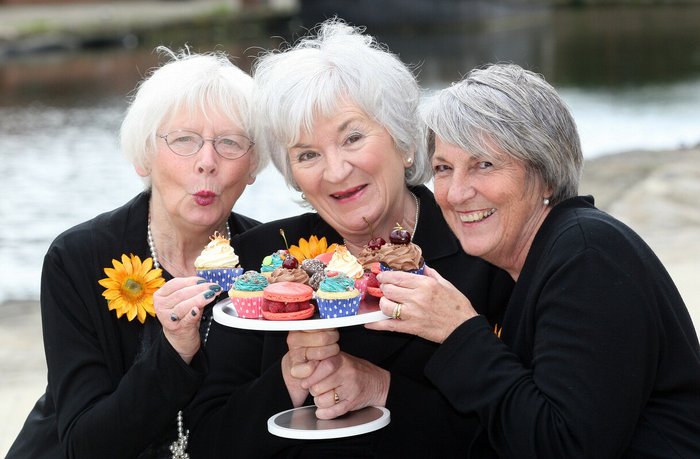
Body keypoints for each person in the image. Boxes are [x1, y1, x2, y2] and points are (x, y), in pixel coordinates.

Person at [188, 19, 513, 457]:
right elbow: (210, 443)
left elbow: (514, 435)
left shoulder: (482, 249)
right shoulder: (260, 260)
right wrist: (288, 377)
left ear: (404, 142)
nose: (336, 171)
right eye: (307, 154)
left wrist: (380, 388)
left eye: (353, 137)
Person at [367, 63, 700, 457]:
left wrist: (458, 331)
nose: (455, 194)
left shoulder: (587, 255)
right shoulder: (531, 263)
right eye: (443, 169)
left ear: (544, 173)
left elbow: (564, 447)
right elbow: (504, 428)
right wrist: (377, 388)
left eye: (484, 164)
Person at [7, 47, 265, 458]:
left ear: (253, 166)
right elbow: (85, 445)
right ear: (144, 155)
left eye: (231, 143)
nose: (207, 162)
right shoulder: (79, 257)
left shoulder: (267, 263)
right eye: (184, 140)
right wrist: (175, 352)